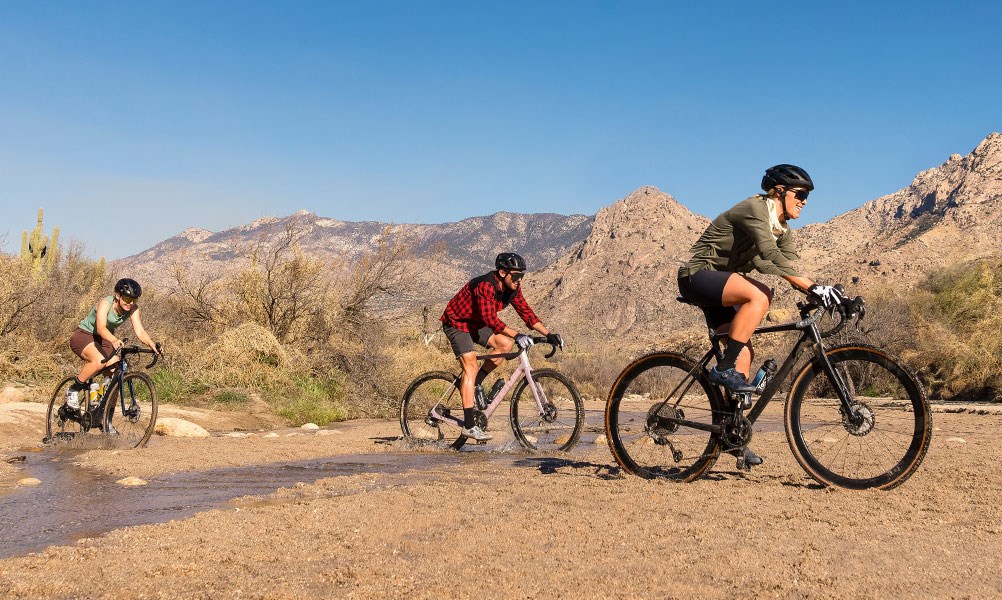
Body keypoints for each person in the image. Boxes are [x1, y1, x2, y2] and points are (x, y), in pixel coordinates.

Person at [676, 164, 847, 465]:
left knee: (743, 355)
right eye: (801, 193)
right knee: (760, 295)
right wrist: (815, 288)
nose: (805, 201)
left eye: (808, 196)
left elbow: (785, 266)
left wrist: (824, 293)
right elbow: (770, 256)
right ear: (778, 192)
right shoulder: (755, 209)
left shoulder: (782, 230)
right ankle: (722, 368)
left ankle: (732, 439)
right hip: (698, 276)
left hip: (722, 286)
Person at [440, 252, 564, 442]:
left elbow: (526, 313)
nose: (519, 280)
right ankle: (469, 426)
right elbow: (491, 320)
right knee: (471, 365)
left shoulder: (513, 288)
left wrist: (548, 334)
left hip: (477, 323)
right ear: (502, 273)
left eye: (521, 276)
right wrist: (518, 335)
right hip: (457, 323)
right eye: (515, 276)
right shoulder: (485, 286)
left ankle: (475, 383)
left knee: (505, 344)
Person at [66, 278, 162, 421]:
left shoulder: (133, 309)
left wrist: (152, 345)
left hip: (104, 339)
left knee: (116, 373)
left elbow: (140, 331)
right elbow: (101, 328)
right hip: (84, 335)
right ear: (118, 296)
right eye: (127, 299)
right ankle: (73, 390)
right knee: (99, 361)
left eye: (134, 300)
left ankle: (105, 418)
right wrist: (114, 340)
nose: (130, 303)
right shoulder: (105, 303)